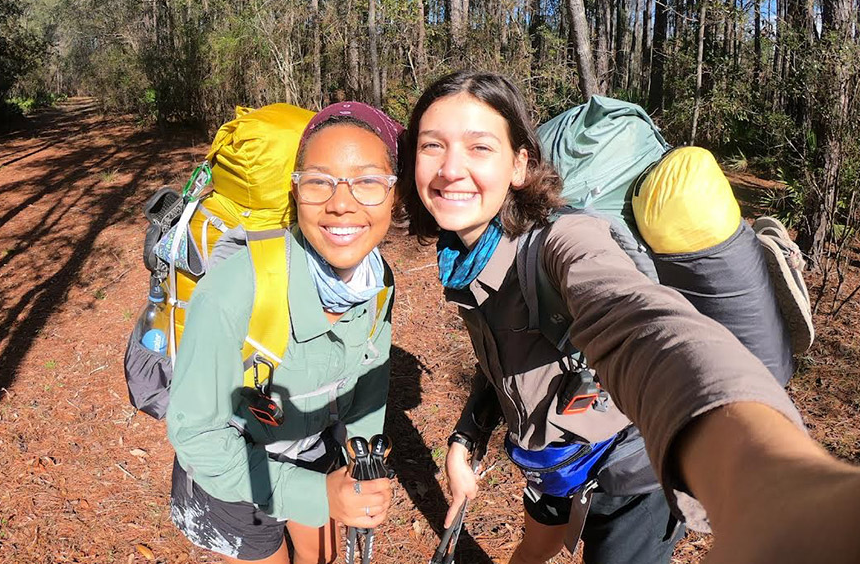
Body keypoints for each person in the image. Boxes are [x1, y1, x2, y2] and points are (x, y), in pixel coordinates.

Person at [400, 70, 802, 564]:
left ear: (519, 165)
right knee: (531, 552)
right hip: (553, 465)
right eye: (432, 146)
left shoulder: (565, 241)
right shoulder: (466, 257)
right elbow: (502, 359)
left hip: (633, 477)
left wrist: (737, 418)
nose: (450, 169)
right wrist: (468, 436)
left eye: (479, 147)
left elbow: (634, 315)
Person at [167, 102, 404, 564]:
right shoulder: (235, 290)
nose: (341, 203)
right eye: (319, 181)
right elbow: (198, 437)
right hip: (233, 475)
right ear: (295, 192)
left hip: (311, 447)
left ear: (395, 194)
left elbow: (371, 380)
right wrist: (319, 494)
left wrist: (362, 460)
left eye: (369, 182)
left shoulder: (377, 282)